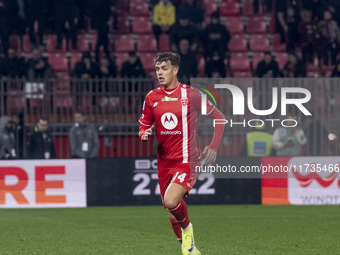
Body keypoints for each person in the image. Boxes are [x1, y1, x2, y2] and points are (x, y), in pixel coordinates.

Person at [139, 52, 225, 255]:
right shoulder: (152, 97)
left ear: (175, 70)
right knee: (171, 211)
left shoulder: (192, 94)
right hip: (164, 161)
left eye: (165, 68)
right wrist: (145, 133)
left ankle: (188, 231)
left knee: (171, 202)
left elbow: (219, 117)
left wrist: (213, 146)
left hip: (187, 159)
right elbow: (143, 125)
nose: (160, 72)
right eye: (158, 68)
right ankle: (191, 250)